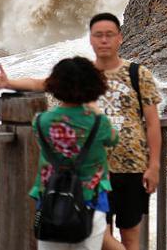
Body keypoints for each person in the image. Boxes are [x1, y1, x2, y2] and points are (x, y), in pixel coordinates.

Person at [0, 13, 162, 250]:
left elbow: (153, 123)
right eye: (98, 35)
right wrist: (8, 83)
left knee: (130, 236)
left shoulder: (138, 74)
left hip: (131, 166)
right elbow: (41, 83)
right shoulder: (80, 75)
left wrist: (154, 166)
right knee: (98, 238)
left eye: (109, 35)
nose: (104, 40)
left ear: (120, 38)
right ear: (90, 39)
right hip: (94, 174)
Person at [30, 57, 118, 250]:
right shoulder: (98, 122)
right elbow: (113, 139)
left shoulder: (41, 121)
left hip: (51, 198)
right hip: (90, 200)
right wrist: (97, 111)